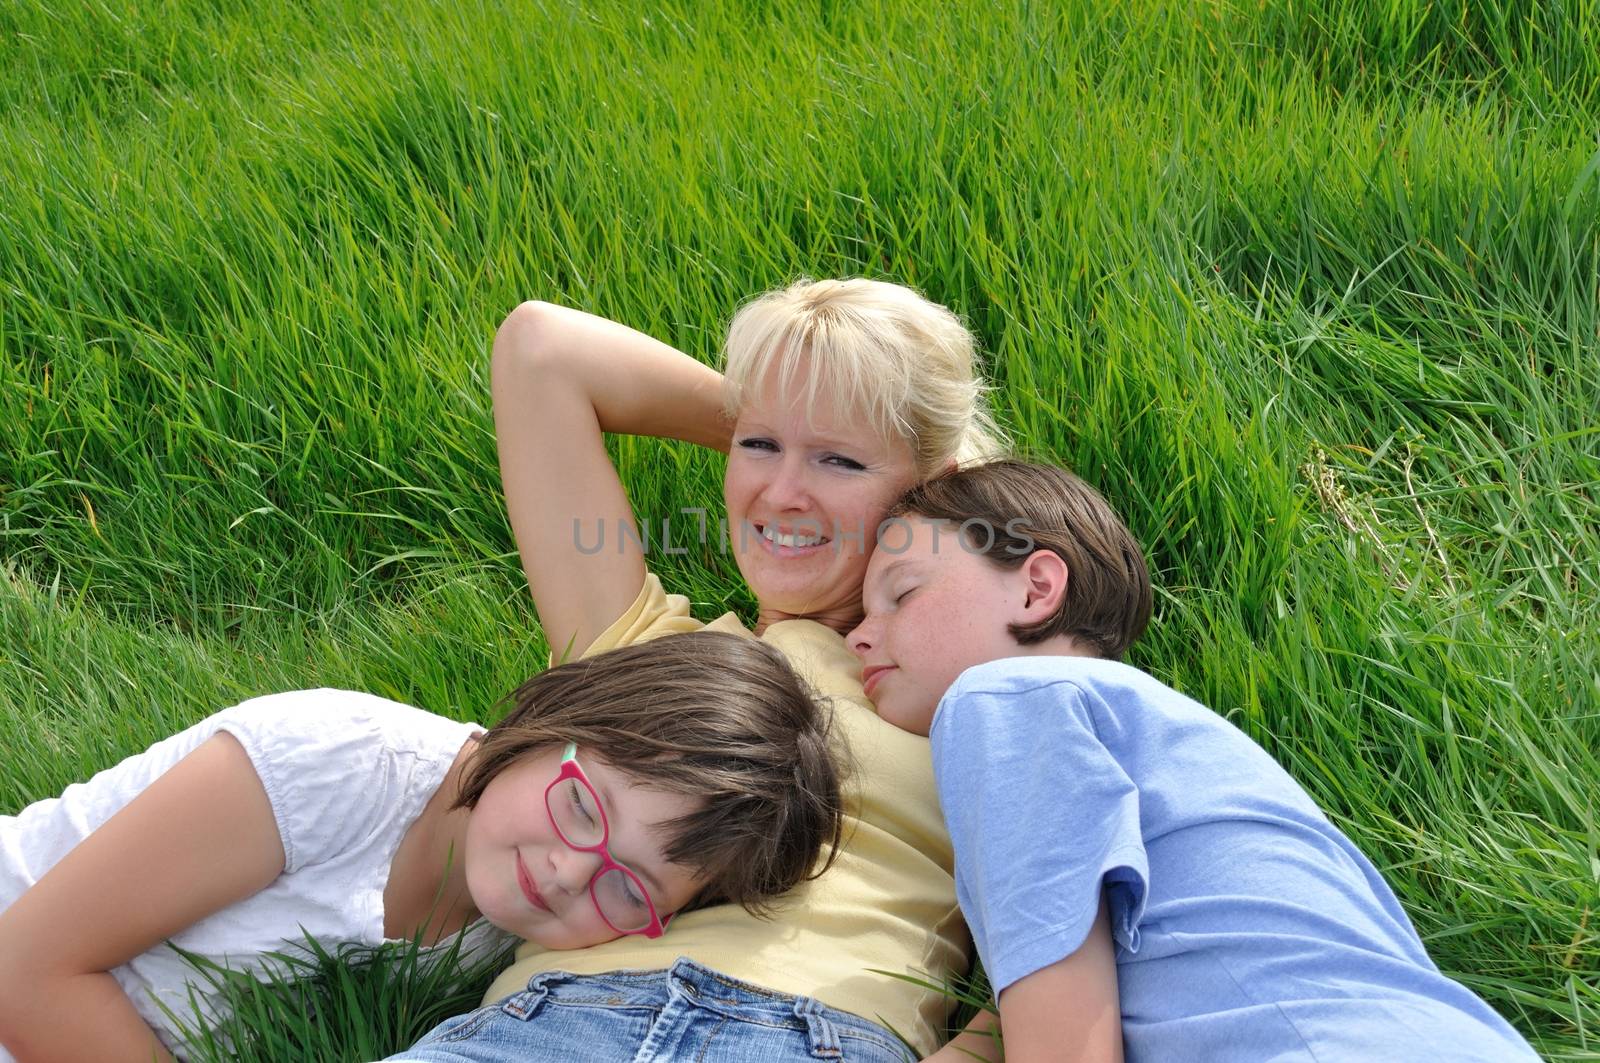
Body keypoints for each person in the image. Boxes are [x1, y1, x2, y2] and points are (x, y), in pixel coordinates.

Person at [391, 278, 1006, 1062]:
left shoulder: (965, 693)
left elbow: (1094, 903)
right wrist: (790, 415)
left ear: (929, 488)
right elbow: (540, 350)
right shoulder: (644, 660)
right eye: (758, 446)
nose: (781, 493)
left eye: (841, 459)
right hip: (545, 1027)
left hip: (812, 1034)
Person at [845, 458, 1541, 1062]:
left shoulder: (1001, 697)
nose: (859, 638)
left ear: (1036, 588)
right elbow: (1029, 1023)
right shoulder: (1140, 744)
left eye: (901, 594)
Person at [0, 631, 843, 1063]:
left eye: (628, 888)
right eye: (582, 806)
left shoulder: (511, 936)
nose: (563, 871)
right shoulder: (331, 764)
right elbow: (25, 966)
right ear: (559, 718)